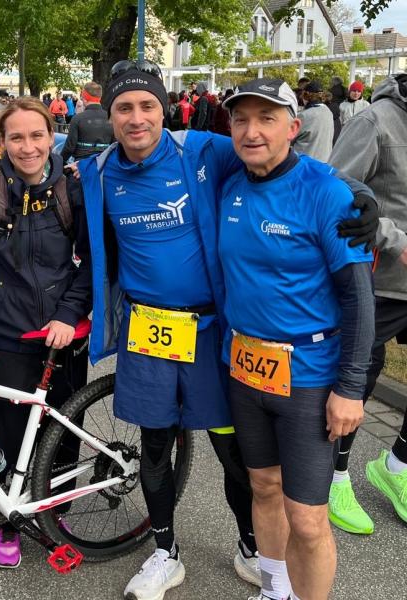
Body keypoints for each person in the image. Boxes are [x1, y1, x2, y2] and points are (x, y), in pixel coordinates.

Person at [77, 63, 378, 600]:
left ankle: (252, 549)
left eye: (147, 106)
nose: (136, 118)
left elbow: (284, 162)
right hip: (148, 330)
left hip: (211, 330)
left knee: (237, 455)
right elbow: (32, 170)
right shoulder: (96, 171)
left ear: (164, 111)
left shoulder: (201, 151)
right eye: (124, 108)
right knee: (155, 445)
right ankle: (165, 554)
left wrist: (360, 194)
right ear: (109, 116)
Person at [219, 78, 374, 600]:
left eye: (267, 118)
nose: (252, 131)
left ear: (294, 127)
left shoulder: (326, 192)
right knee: (263, 488)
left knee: (307, 518)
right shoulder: (230, 185)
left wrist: (350, 388)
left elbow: (358, 297)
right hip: (246, 369)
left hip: (309, 376)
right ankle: (274, 590)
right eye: (241, 119)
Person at [0, 96, 92, 569]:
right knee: (6, 429)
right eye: (16, 137)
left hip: (64, 331)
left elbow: (93, 261)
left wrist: (70, 313)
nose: (28, 146)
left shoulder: (74, 190)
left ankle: (58, 512)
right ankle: (8, 519)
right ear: (1, 142)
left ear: (51, 136)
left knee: (64, 427)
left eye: (37, 135)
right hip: (9, 333)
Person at [327, 73, 407, 534]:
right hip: (379, 282)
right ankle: (334, 477)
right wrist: (395, 240)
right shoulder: (375, 120)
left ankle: (396, 467)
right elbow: (337, 190)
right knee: (355, 384)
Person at [61, 81, 114, 162]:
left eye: (82, 98)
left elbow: (69, 147)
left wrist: (59, 162)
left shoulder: (77, 118)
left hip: (81, 164)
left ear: (85, 98)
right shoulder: (111, 118)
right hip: (105, 164)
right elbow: (115, 145)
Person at [293, 81, 334, 161]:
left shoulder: (304, 115)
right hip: (324, 160)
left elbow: (289, 137)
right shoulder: (329, 112)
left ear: (306, 96)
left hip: (305, 162)